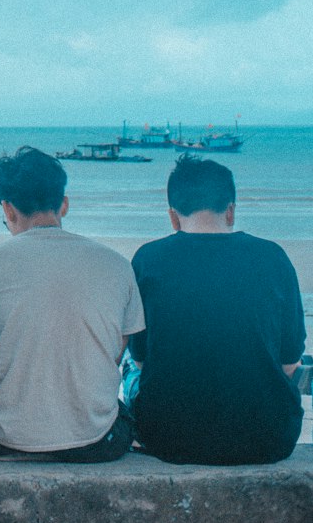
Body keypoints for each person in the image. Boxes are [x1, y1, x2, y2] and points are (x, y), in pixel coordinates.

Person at [0, 146, 143, 462]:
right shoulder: (116, 265)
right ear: (63, 204)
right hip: (95, 439)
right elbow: (112, 356)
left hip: (3, 438)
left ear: (7, 209)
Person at [125, 155, 306, 465]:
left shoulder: (148, 260)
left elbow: (141, 359)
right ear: (231, 210)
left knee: (128, 367)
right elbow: (290, 363)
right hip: (269, 437)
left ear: (172, 216)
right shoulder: (272, 258)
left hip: (166, 437)